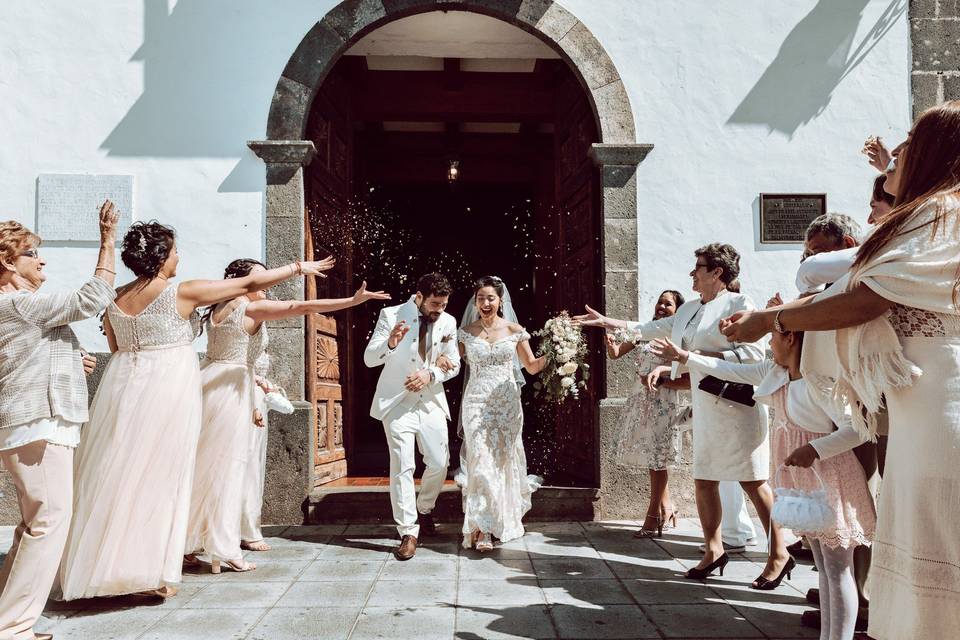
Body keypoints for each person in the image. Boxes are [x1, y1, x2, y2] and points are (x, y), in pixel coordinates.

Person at [720, 101, 960, 639]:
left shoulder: (943, 211)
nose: (896, 158)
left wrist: (771, 318)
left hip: (940, 408)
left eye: (907, 148)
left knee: (938, 540)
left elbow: (865, 299)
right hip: (922, 406)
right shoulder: (934, 212)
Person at [58, 221, 334, 599]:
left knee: (119, 471)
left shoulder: (116, 297)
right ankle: (146, 571)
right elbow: (247, 285)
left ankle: (103, 566)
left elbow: (115, 344)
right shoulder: (181, 292)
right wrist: (298, 268)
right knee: (164, 476)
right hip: (168, 388)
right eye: (174, 252)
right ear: (160, 258)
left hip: (122, 387)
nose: (178, 257)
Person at [575, 243, 791, 589]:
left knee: (752, 480)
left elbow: (751, 358)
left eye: (699, 267)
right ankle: (713, 550)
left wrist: (690, 355)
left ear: (717, 273)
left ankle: (779, 553)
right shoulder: (689, 309)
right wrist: (606, 322)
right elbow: (647, 328)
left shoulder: (741, 304)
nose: (693, 273)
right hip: (706, 405)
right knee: (704, 478)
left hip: (736, 407)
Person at [652, 319, 876, 640]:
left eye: (773, 337)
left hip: (831, 483)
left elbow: (855, 428)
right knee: (825, 570)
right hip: (804, 486)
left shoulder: (819, 383)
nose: (769, 344)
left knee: (839, 568)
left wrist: (814, 448)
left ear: (792, 340)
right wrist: (685, 356)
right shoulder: (776, 374)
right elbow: (725, 369)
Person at [185, 259, 389, 572]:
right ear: (242, 283)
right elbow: (301, 306)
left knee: (203, 466)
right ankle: (223, 548)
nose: (266, 284)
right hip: (231, 390)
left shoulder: (216, 309)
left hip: (210, 383)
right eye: (260, 278)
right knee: (229, 468)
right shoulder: (249, 309)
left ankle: (189, 541)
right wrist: (351, 301)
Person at [0, 203, 118, 640]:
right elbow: (90, 299)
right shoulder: (19, 303)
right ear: (8, 262)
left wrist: (73, 360)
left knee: (34, 524)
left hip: (32, 424)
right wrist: (107, 242)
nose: (42, 259)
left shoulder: (17, 308)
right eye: (32, 253)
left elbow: (26, 355)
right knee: (48, 523)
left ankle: (7, 613)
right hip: (37, 424)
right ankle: (12, 626)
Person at [363, 272, 462, 561]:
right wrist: (390, 344)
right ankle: (408, 531)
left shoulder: (448, 322)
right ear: (418, 297)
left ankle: (425, 509)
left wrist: (431, 373)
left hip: (430, 400)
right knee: (403, 465)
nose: (439, 310)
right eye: (434, 304)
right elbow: (370, 358)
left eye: (443, 304)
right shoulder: (390, 315)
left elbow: (454, 363)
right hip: (396, 402)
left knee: (439, 462)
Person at [456, 276, 545, 551]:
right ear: (475, 301)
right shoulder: (465, 332)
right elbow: (450, 364)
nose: (485, 303)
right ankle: (483, 529)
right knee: (480, 461)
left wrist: (557, 355)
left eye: (490, 298)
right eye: (480, 298)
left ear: (500, 300)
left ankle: (500, 520)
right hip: (476, 402)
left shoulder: (515, 330)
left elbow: (531, 367)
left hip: (507, 405)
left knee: (501, 462)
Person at [606, 289, 690, 537]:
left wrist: (662, 374)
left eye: (668, 304)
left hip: (663, 400)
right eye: (660, 302)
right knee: (651, 458)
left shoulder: (676, 336)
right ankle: (667, 505)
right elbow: (617, 354)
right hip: (640, 399)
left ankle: (653, 517)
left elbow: (684, 369)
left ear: (677, 312)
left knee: (658, 459)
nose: (662, 307)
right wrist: (611, 345)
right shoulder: (646, 330)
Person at [239, 352, 275, 552]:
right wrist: (257, 382)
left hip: (258, 398)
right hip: (244, 399)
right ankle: (245, 531)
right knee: (246, 463)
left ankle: (247, 527)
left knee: (253, 465)